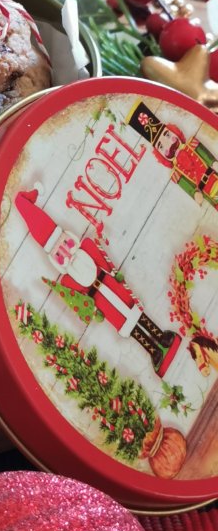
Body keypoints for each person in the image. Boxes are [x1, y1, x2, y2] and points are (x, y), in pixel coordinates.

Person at [15, 188, 181, 377]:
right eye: (59, 254)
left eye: (65, 244)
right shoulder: (67, 280)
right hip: (102, 302)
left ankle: (161, 336)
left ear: (70, 238)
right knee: (128, 326)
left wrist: (116, 274)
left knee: (136, 313)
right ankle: (153, 350)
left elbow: (104, 260)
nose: (66, 253)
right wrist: (93, 311)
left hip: (112, 285)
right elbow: (80, 301)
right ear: (55, 260)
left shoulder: (87, 247)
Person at [127, 100, 218, 207]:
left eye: (167, 135)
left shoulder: (192, 144)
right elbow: (188, 188)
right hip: (211, 197)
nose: (168, 143)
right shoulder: (175, 174)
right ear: (160, 155)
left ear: (175, 132)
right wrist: (195, 194)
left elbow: (206, 155)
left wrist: (213, 163)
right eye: (161, 146)